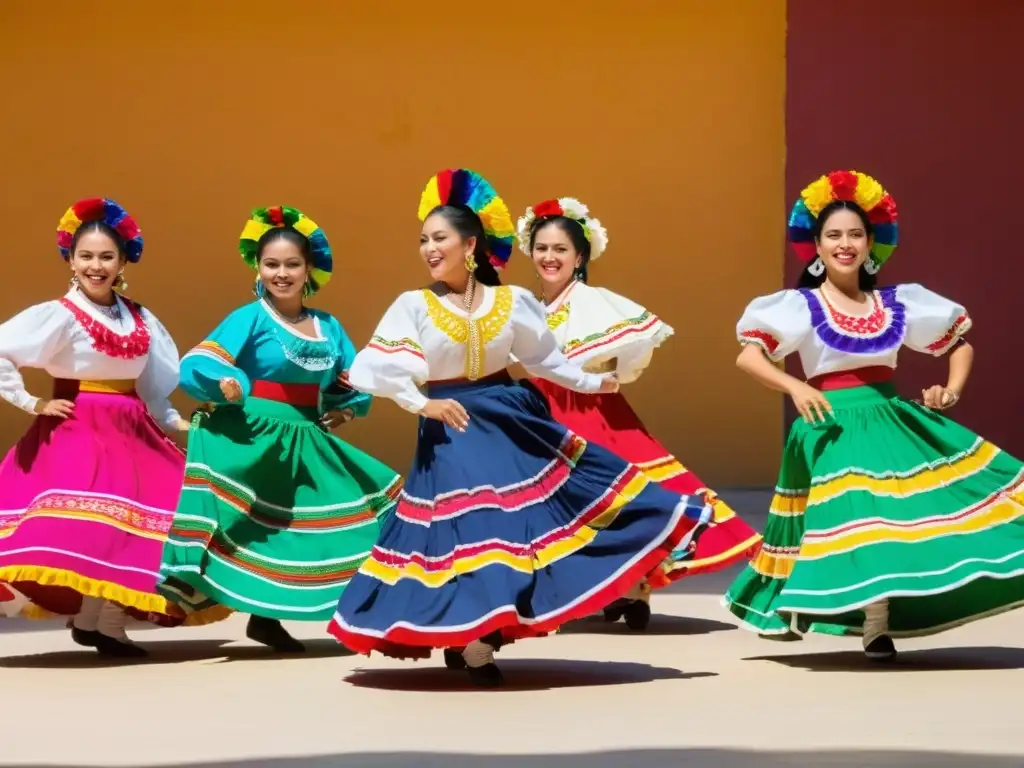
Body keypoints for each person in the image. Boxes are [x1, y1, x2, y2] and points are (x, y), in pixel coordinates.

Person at [328, 168, 712, 686]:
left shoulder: (510, 301)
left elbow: (545, 359)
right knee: (474, 533)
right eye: (423, 240)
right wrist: (423, 405)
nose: (428, 248)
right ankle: (474, 635)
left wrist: (597, 385)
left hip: (511, 419)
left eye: (439, 238)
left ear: (470, 244)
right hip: (451, 426)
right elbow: (378, 368)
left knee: (519, 530)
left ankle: (482, 638)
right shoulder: (413, 306)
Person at [723, 170, 1024, 660]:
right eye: (834, 236)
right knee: (852, 523)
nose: (845, 244)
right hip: (829, 426)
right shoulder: (799, 306)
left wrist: (949, 391)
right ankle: (839, 617)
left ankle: (875, 626)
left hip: (887, 420)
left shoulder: (896, 303)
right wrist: (795, 385)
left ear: (870, 245)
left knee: (892, 521)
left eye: (855, 235)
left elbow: (959, 347)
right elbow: (749, 355)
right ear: (816, 248)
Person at [157, 206, 402, 653]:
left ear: (310, 269)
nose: (282, 273)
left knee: (355, 515)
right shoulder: (250, 318)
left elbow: (352, 377)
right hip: (254, 435)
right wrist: (226, 382)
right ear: (258, 267)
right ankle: (259, 612)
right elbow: (202, 360)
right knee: (258, 526)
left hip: (307, 436)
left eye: (292, 264)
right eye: (272, 264)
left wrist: (346, 411)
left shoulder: (327, 326)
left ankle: (317, 616)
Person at [517, 197, 762, 630]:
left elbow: (623, 363)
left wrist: (597, 373)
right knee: (559, 504)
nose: (549, 257)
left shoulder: (595, 304)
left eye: (560, 249)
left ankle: (634, 587)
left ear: (579, 256)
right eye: (542, 248)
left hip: (593, 411)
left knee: (627, 494)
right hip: (544, 412)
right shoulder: (529, 306)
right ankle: (606, 588)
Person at [0, 197, 210, 657]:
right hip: (79, 430)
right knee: (99, 526)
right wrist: (31, 400)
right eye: (87, 256)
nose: (96, 265)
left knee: (146, 525)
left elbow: (154, 386)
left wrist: (174, 422)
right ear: (71, 260)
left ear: (123, 261)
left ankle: (98, 622)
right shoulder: (58, 314)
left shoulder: (139, 317)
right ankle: (102, 625)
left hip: (131, 430)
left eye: (106, 256)